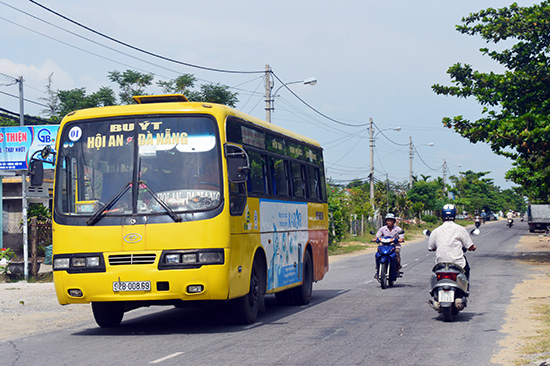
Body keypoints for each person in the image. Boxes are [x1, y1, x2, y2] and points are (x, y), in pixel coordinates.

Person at [428, 204, 477, 279]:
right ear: (454, 215)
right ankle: (465, 289)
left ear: (442, 216)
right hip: (458, 263)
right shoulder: (460, 229)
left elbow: (430, 247)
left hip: (441, 263)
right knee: (466, 270)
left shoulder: (436, 231)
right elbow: (470, 246)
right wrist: (473, 248)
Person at [373, 213, 404, 278]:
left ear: (394, 221)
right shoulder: (382, 229)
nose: (389, 222)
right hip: (384, 246)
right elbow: (377, 236)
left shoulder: (398, 229)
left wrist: (399, 240)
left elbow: (401, 238)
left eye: (391, 220)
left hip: (394, 246)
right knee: (378, 254)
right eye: (388, 220)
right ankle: (378, 269)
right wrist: (375, 239)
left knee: (396, 253)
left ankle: (397, 267)